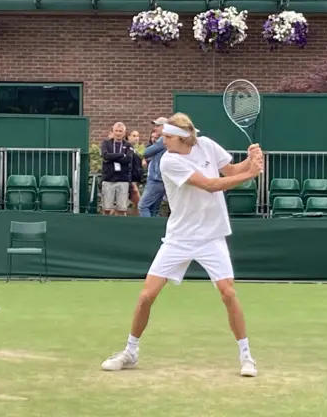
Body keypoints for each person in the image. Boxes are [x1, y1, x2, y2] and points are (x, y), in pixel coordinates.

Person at [101, 113, 263, 377]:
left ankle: (247, 357)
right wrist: (251, 173)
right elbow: (211, 185)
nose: (162, 141)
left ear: (185, 137)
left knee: (228, 293)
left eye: (167, 137)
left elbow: (232, 171)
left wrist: (251, 160)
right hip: (179, 237)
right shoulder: (169, 161)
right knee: (146, 296)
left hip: (212, 235)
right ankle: (130, 352)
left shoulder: (207, 145)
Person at [100, 122, 134, 216]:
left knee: (122, 208)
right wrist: (121, 155)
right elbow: (105, 155)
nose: (118, 133)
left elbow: (128, 159)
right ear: (113, 131)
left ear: (124, 133)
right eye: (116, 131)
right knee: (106, 208)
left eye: (120, 131)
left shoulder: (128, 145)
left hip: (123, 179)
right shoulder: (106, 143)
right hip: (108, 178)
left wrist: (112, 157)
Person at [138, 117, 168, 217]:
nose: (155, 128)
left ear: (165, 127)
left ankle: (146, 231)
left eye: (158, 125)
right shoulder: (169, 139)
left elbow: (146, 152)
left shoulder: (163, 139)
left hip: (156, 179)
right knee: (154, 209)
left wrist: (142, 153)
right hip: (162, 178)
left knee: (143, 206)